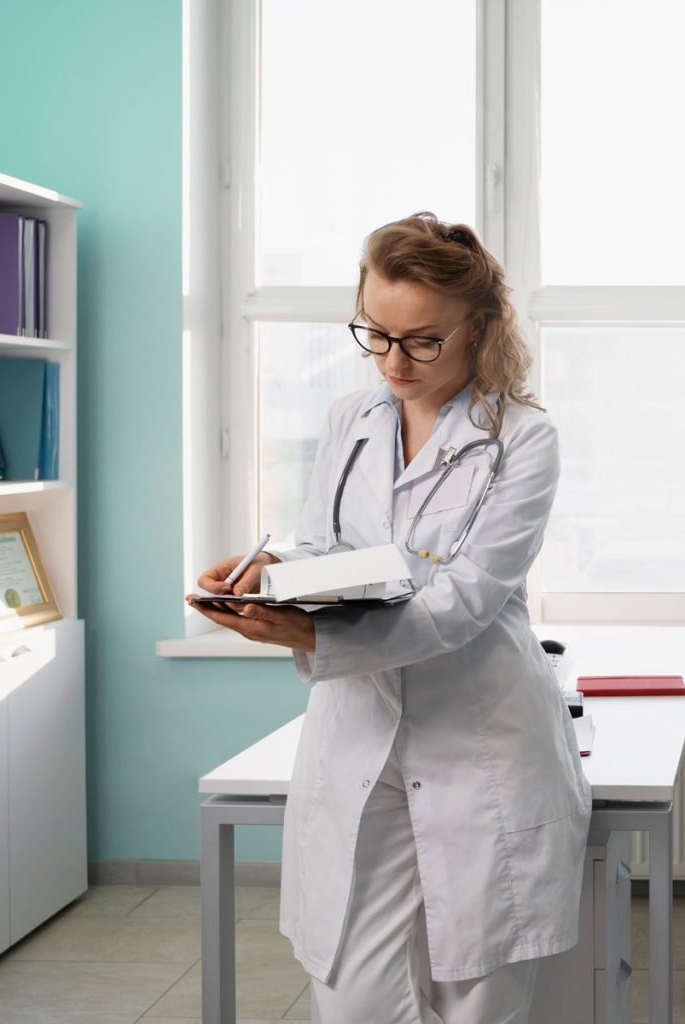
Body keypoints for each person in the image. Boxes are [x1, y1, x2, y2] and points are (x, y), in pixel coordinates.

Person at [189, 213, 592, 1024]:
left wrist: (317, 634)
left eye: (422, 341)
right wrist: (276, 575)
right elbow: (336, 549)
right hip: (359, 733)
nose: (393, 363)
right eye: (375, 334)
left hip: (478, 738)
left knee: (473, 995)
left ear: (479, 328)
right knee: (353, 993)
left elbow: (467, 596)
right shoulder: (350, 418)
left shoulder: (523, 440)